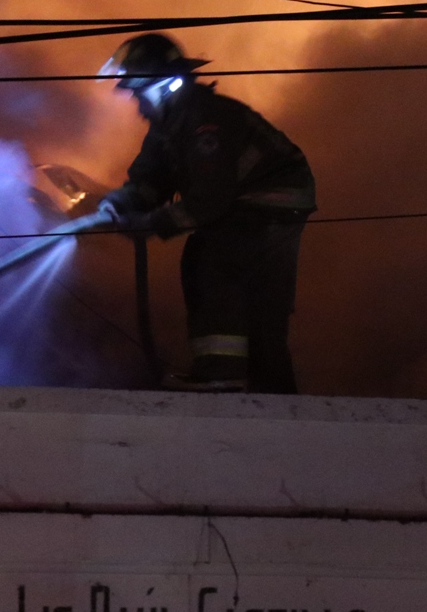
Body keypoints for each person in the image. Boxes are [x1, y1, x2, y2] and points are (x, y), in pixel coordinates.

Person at [96, 34, 316, 392]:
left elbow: (210, 197)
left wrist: (152, 223)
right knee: (260, 308)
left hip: (269, 202)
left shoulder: (206, 123)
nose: (137, 103)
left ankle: (220, 374)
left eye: (139, 92)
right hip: (252, 205)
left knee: (212, 262)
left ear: (166, 87)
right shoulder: (170, 129)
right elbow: (151, 179)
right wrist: (122, 202)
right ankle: (271, 392)